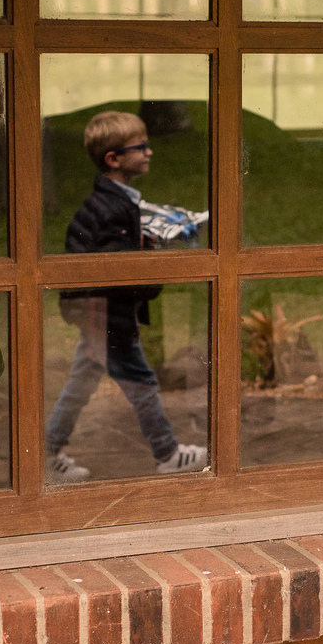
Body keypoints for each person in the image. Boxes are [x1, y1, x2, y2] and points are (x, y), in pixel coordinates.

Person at [45, 111, 209, 483]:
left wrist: (142, 244)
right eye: (141, 147)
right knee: (142, 383)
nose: (150, 152)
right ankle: (168, 453)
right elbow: (117, 268)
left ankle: (46, 451)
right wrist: (150, 265)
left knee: (81, 382)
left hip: (94, 309)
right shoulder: (115, 207)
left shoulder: (111, 202)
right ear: (113, 160)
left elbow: (110, 253)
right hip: (106, 312)